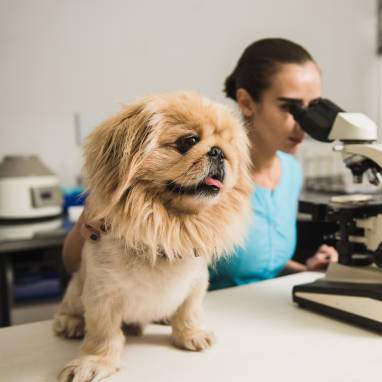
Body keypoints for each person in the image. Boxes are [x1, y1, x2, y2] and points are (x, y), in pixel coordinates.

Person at [61, 38, 338, 290]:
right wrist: (86, 225)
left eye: (312, 108)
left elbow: (258, 264)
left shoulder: (291, 172)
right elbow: (76, 266)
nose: (304, 123)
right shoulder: (187, 179)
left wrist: (308, 268)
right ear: (246, 102)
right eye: (290, 108)